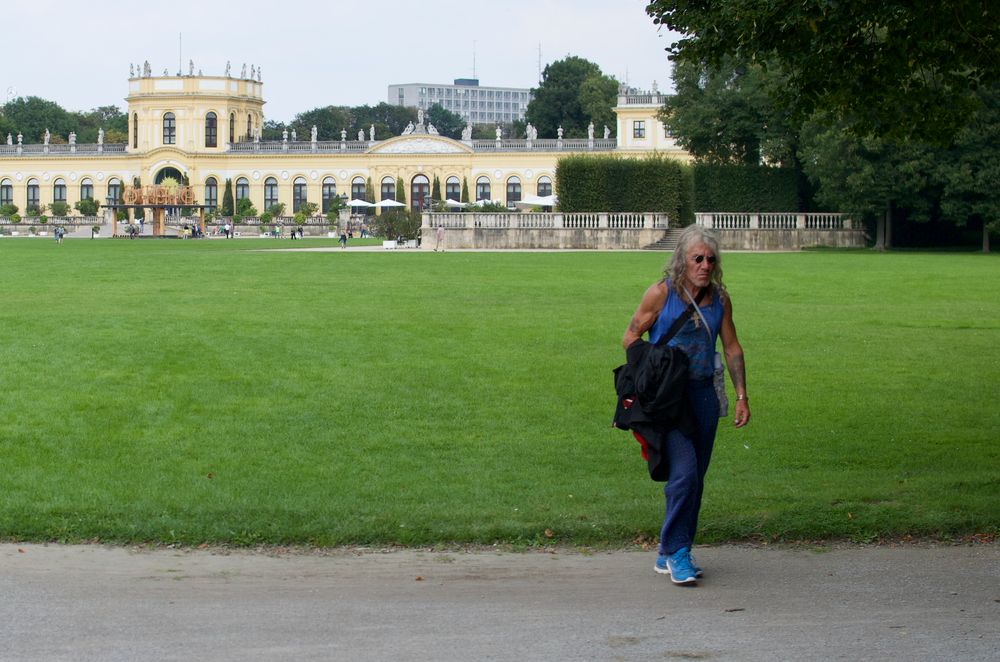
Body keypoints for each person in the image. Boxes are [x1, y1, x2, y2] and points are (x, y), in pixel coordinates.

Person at [622, 225, 750, 585]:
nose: (705, 265)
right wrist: (653, 368)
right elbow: (630, 336)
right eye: (697, 258)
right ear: (682, 260)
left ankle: (670, 549)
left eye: (710, 259)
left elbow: (732, 348)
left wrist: (741, 396)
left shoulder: (720, 300)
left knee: (697, 479)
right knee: (685, 473)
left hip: (703, 395)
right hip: (668, 399)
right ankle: (678, 552)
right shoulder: (661, 294)